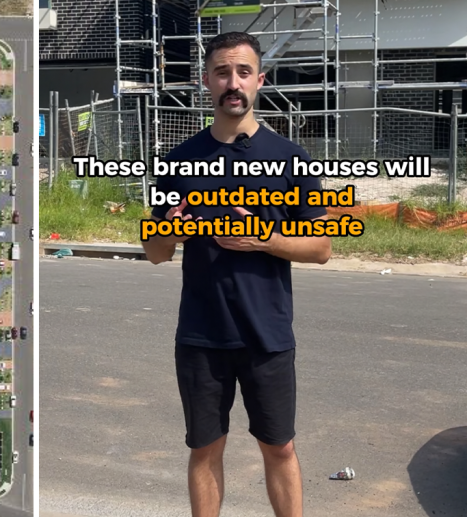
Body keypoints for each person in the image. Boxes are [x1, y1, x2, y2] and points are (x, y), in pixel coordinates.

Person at [141, 32, 331, 517]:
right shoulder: (177, 162)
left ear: (259, 81)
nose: (233, 82)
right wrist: (171, 230)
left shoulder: (291, 159)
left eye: (243, 72)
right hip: (203, 334)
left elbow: (322, 247)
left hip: (268, 333)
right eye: (223, 72)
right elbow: (154, 252)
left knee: (281, 448)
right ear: (207, 81)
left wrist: (262, 238)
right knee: (205, 449)